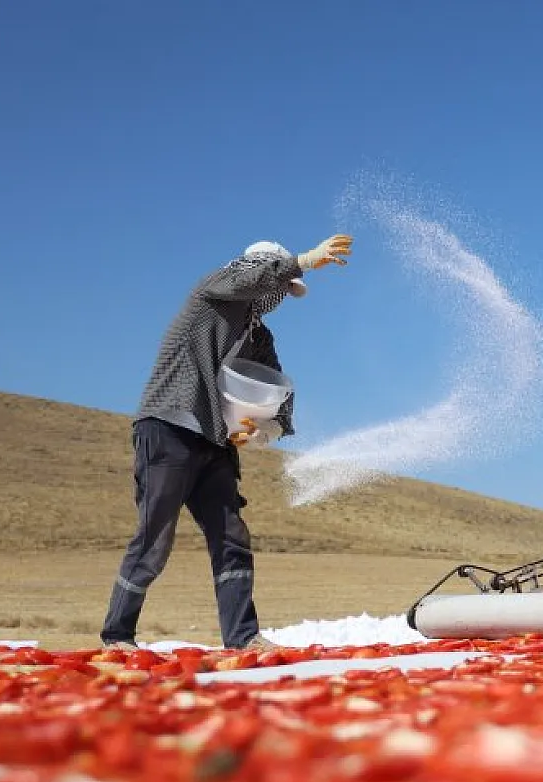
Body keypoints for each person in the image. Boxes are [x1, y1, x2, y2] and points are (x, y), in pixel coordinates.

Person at [100, 235, 353, 652]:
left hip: (214, 441)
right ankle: (117, 635)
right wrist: (303, 260)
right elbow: (248, 280)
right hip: (169, 426)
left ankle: (243, 637)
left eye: (283, 292)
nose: (278, 297)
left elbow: (276, 391)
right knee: (155, 536)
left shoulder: (260, 337)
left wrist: (265, 430)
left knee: (231, 537)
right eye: (276, 286)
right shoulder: (213, 292)